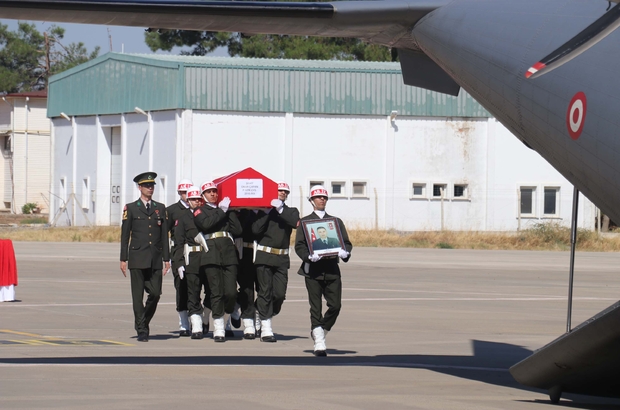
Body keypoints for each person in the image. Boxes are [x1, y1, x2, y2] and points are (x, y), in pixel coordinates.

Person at [295, 185, 352, 356]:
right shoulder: (305, 222)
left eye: (324, 197)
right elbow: (299, 245)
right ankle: (319, 341)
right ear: (311, 200)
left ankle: (322, 329)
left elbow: (346, 243)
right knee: (315, 307)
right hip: (313, 270)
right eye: (318, 197)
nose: (321, 199)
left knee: (335, 305)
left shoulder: (335, 222)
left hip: (332, 269)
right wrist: (308, 256)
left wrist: (345, 252)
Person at [120, 172, 170, 342]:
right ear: (139, 187)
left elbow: (164, 234)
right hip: (137, 257)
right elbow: (125, 235)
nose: (150, 188)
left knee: (156, 293)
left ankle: (144, 321)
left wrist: (166, 258)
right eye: (147, 185)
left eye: (152, 185)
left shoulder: (160, 208)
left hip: (155, 257)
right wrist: (123, 259)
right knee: (137, 297)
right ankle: (142, 329)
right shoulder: (131, 208)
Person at [193, 181, 242, 342]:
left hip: (228, 253)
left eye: (215, 191)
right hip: (211, 253)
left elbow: (237, 230)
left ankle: (228, 312)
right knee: (216, 292)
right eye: (209, 192)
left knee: (231, 292)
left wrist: (231, 211)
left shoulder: (225, 209)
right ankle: (219, 326)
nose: (213, 194)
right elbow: (206, 224)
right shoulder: (200, 210)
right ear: (203, 195)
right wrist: (222, 211)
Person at [252, 181, 299, 342]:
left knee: (279, 294)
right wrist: (266, 212)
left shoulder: (291, 211)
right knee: (265, 292)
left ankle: (259, 310)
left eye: (286, 192)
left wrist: (280, 208)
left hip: (281, 258)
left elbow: (295, 223)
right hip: (264, 256)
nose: (283, 193)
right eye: (280, 191)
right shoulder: (265, 211)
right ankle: (266, 328)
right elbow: (255, 230)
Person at [172, 185, 211, 339]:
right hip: (192, 260)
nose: (196, 202)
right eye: (193, 199)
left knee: (211, 292)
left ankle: (206, 317)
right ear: (187, 201)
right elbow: (178, 242)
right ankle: (196, 326)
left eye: (198, 199)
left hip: (208, 258)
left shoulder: (206, 215)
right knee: (193, 293)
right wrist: (179, 263)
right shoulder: (182, 219)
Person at [166, 178, 193, 337]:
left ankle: (198, 318)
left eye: (188, 192)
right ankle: (183, 323)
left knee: (196, 287)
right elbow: (165, 234)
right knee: (181, 287)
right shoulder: (172, 211)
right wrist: (168, 257)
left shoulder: (198, 207)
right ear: (179, 193)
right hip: (178, 252)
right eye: (183, 192)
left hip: (196, 252)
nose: (186, 195)